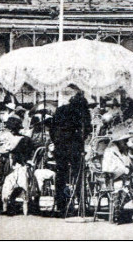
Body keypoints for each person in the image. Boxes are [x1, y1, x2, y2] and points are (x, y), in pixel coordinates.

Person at [49, 84, 92, 216]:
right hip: (75, 147)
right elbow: (87, 130)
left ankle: (61, 204)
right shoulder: (82, 113)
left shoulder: (61, 110)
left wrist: (56, 141)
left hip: (60, 147)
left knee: (60, 175)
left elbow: (51, 127)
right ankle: (80, 202)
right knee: (78, 174)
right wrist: (80, 140)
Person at [102, 125, 133, 224]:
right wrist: (123, 171)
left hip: (126, 178)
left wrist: (132, 148)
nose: (126, 142)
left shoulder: (125, 151)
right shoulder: (109, 152)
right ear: (118, 142)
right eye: (125, 141)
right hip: (114, 179)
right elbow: (107, 169)